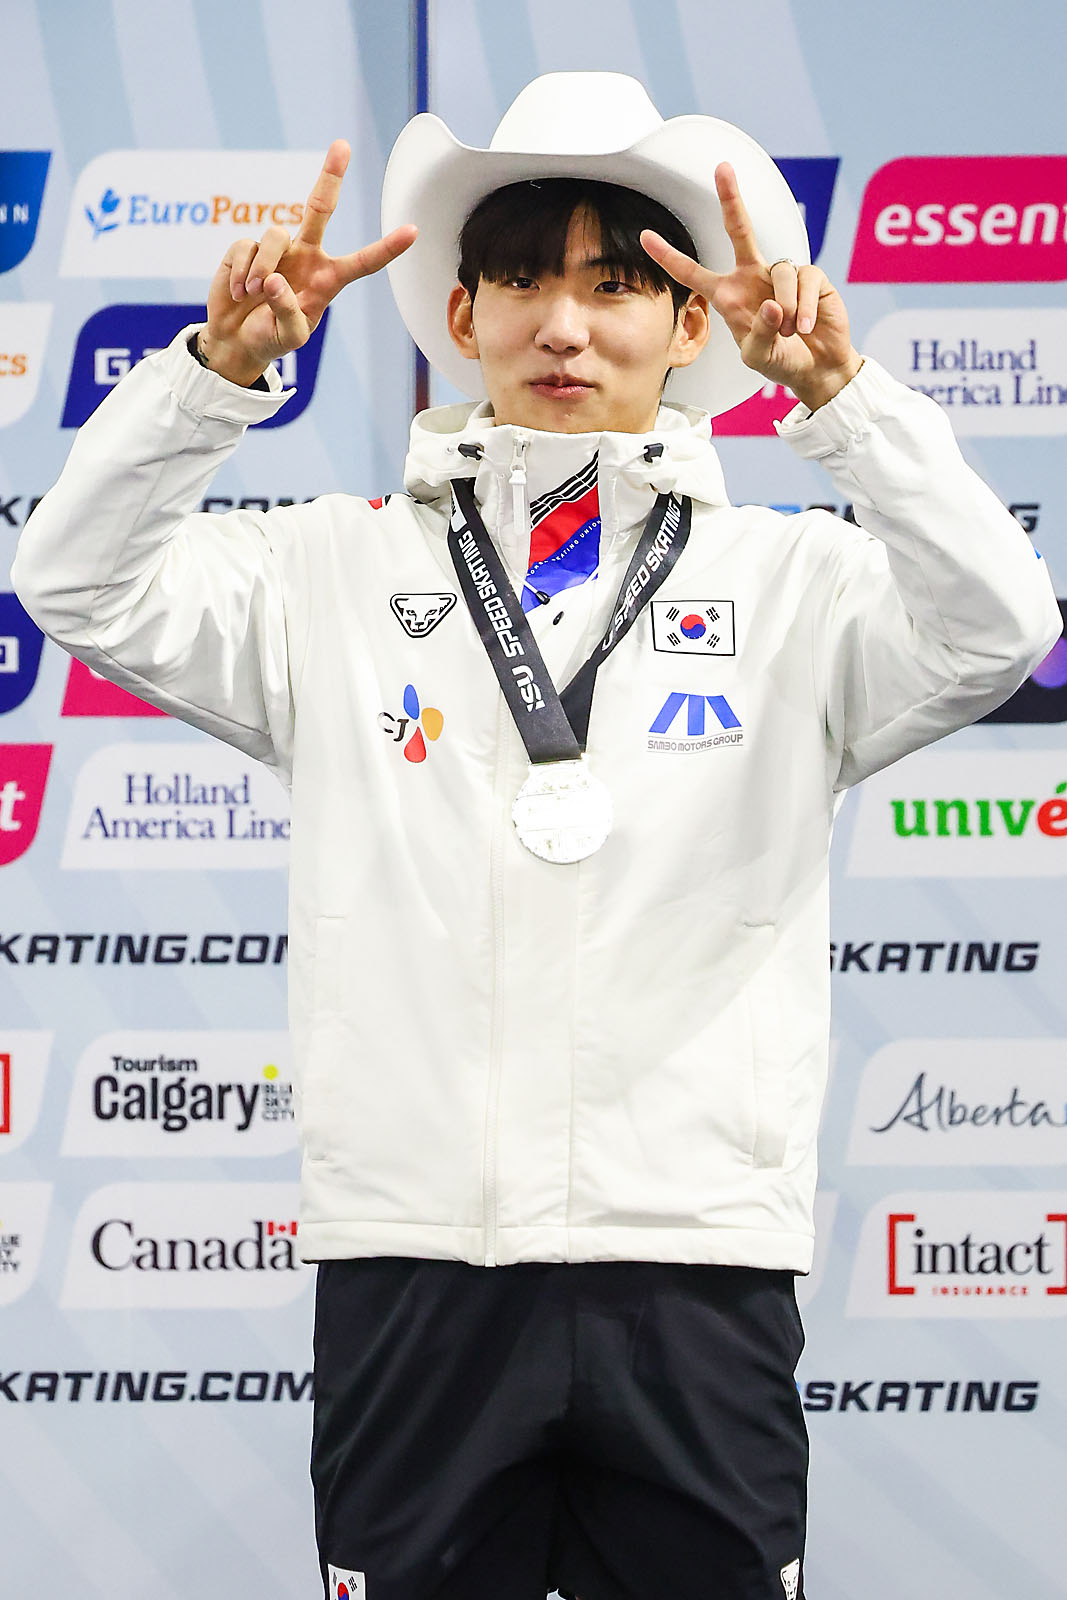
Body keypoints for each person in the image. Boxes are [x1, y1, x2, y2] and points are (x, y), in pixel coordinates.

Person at [13, 72, 1059, 1600]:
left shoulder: (799, 585)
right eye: (523, 280)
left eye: (616, 282)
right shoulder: (329, 569)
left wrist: (842, 405)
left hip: (697, 1269)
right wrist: (214, 377)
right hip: (414, 1265)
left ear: (691, 325)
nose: (565, 326)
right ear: (461, 312)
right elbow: (76, 585)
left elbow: (1005, 625)